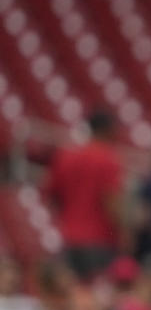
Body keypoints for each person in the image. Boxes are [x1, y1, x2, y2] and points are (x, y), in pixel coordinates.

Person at [43, 108, 129, 280]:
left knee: (74, 295)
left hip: (69, 238)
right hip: (100, 241)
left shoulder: (65, 156)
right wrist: (126, 235)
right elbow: (112, 202)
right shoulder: (107, 158)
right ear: (108, 130)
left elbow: (51, 195)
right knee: (97, 296)